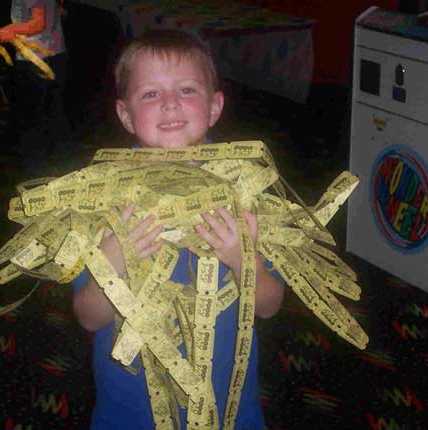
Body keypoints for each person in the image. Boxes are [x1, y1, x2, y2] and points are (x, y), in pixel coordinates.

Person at [72, 29, 285, 430]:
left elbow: (270, 306)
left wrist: (243, 258)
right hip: (130, 412)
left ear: (215, 106)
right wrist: (110, 262)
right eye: (150, 94)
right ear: (125, 114)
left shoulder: (243, 192)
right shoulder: (101, 199)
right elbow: (88, 317)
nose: (170, 103)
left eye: (187, 89)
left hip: (226, 410)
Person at [0, 0, 69, 177]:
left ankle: (37, 177)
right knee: (53, 115)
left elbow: (38, 24)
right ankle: (62, 169)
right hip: (55, 54)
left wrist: (10, 30)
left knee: (32, 121)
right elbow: (59, 9)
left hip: (36, 60)